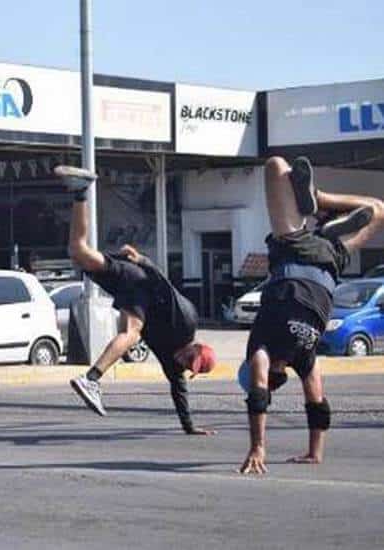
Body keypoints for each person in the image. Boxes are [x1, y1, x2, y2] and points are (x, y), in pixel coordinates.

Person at [238, 156, 383, 474]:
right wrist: (256, 447)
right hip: (296, 251)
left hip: (330, 267)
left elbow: (318, 402)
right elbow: (259, 395)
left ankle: (324, 213)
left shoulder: (304, 358)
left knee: (379, 210)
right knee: (276, 166)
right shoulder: (262, 350)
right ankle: (318, 201)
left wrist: (315, 452)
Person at [58, 166, 218, 435]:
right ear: (196, 345)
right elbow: (164, 285)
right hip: (138, 280)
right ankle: (92, 380)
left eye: (189, 366)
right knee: (132, 333)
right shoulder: (186, 321)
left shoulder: (174, 362)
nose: (183, 361)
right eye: (190, 357)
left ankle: (80, 191)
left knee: (78, 251)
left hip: (130, 287)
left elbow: (178, 390)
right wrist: (143, 259)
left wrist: (190, 427)